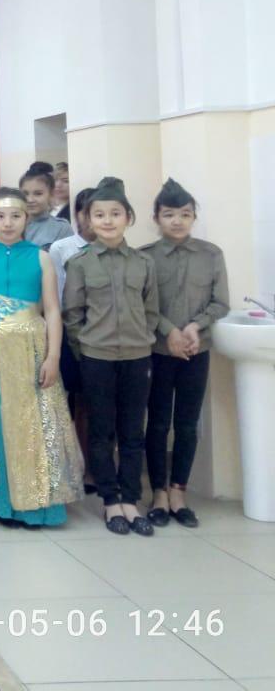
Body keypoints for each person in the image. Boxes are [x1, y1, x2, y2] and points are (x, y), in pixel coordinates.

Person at [0, 191, 83, 527]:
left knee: (31, 423)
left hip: (30, 348)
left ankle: (32, 500)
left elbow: (53, 310)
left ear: (26, 219)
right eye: (0, 216)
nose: (8, 223)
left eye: (15, 216)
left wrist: (53, 356)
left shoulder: (41, 258)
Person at [63, 177, 159, 537]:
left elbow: (151, 311)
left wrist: (142, 341)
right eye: (99, 214)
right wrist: (86, 350)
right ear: (88, 219)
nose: (107, 221)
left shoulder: (144, 262)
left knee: (133, 430)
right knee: (101, 431)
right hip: (96, 357)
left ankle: (131, 499)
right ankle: (110, 500)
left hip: (137, 355)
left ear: (128, 218)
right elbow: (72, 315)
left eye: (115, 214)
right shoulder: (80, 263)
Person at [141, 178, 229, 529]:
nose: (177, 221)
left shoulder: (211, 254)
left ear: (194, 217)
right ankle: (158, 493)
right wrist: (170, 331)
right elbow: (142, 305)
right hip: (158, 351)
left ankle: (179, 492)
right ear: (156, 218)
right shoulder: (145, 256)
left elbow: (220, 303)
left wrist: (194, 327)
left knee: (188, 424)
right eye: (168, 214)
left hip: (196, 349)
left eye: (185, 214)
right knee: (157, 422)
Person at [49, 185, 96, 481]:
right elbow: (56, 294)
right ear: (77, 215)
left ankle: (93, 467)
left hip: (103, 334)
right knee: (69, 401)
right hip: (69, 331)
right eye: (87, 213)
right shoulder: (61, 249)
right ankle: (70, 467)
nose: (94, 220)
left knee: (94, 403)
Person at [21, 163, 72, 249]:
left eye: (38, 194)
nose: (30, 200)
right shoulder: (10, 224)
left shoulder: (61, 227)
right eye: (25, 194)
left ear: (51, 194)